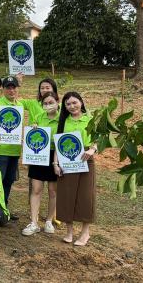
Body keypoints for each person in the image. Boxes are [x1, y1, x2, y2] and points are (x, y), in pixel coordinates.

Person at [55, 92, 97, 246]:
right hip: (67, 161)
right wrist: (55, 164)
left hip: (86, 159)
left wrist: (92, 149)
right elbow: (58, 143)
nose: (72, 106)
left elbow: (98, 138)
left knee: (86, 196)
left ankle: (85, 233)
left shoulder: (90, 118)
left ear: (81, 102)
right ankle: (69, 232)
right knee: (67, 195)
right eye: (68, 104)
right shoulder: (63, 121)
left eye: (74, 102)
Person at [0, 76, 33, 211]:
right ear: (3, 89)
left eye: (14, 87)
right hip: (0, 150)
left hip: (15, 149)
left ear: (17, 89)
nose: (11, 90)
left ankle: (3, 209)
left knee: (9, 180)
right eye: (8, 88)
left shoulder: (20, 105)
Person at [22, 91, 59, 236]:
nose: (48, 105)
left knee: (53, 191)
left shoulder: (62, 119)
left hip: (55, 156)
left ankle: (49, 221)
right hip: (38, 155)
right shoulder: (38, 117)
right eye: (45, 103)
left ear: (57, 102)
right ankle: (34, 222)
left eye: (51, 102)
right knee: (36, 189)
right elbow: (32, 136)